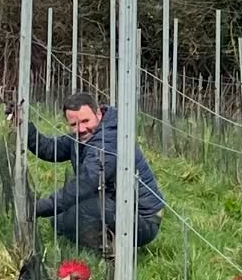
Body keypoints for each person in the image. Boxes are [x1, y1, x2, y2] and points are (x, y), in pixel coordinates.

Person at [16, 91, 164, 253]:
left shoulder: (108, 141)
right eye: (74, 124)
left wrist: (39, 207)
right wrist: (25, 126)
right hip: (113, 204)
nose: (81, 129)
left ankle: (110, 252)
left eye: (86, 121)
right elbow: (49, 148)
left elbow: (85, 184)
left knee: (80, 212)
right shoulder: (83, 138)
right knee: (59, 221)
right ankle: (102, 241)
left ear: (98, 114)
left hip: (142, 219)